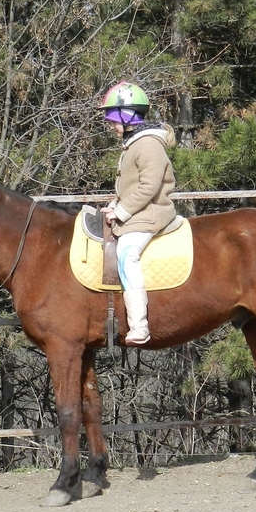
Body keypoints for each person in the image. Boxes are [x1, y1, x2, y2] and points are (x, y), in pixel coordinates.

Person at [98, 81, 178, 345]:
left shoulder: (147, 145)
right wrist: (114, 204)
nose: (109, 124)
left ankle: (140, 325)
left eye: (111, 118)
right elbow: (131, 185)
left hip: (152, 213)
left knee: (126, 253)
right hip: (140, 210)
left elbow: (149, 185)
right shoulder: (135, 142)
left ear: (127, 114)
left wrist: (120, 211)